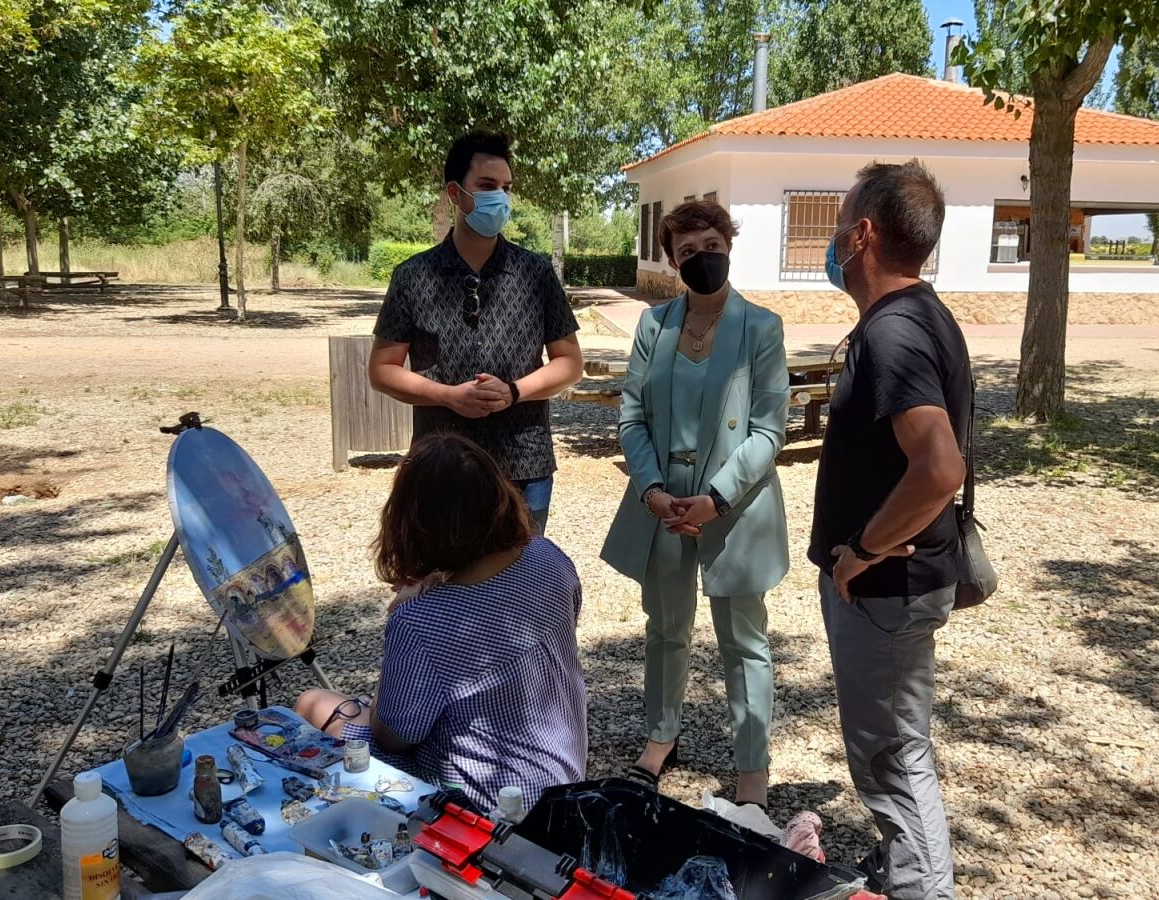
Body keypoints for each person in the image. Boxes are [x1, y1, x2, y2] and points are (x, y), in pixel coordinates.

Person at [811, 161, 971, 900]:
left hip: (885, 588)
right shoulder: (920, 316)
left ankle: (922, 889)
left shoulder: (896, 331)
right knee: (896, 749)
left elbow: (939, 467)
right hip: (896, 585)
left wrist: (863, 551)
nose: (834, 237)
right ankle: (901, 870)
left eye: (841, 222)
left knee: (892, 762)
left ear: (864, 234)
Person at [600, 200, 790, 808]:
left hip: (732, 506)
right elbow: (632, 416)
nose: (701, 258)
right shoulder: (653, 326)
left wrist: (716, 498)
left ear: (728, 245)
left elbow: (769, 430)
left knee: (744, 640)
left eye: (711, 245)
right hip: (662, 502)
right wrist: (651, 490)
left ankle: (752, 768)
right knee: (665, 627)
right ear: (672, 260)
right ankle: (662, 736)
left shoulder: (761, 327)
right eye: (687, 251)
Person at [295, 432, 588, 810]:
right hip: (561, 779)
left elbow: (393, 734)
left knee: (313, 703)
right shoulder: (548, 557)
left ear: (413, 524)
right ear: (498, 497)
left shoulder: (420, 620)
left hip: (487, 805)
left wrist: (407, 614)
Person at [367, 130, 585, 532]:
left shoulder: (535, 273)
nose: (499, 197)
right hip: (440, 463)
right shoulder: (414, 276)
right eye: (486, 185)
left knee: (523, 569)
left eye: (506, 187)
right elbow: (382, 370)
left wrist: (513, 391)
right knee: (443, 570)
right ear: (456, 193)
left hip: (524, 462)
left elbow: (570, 363)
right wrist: (449, 396)